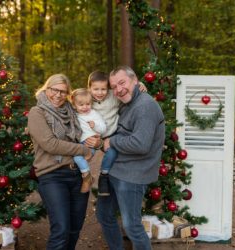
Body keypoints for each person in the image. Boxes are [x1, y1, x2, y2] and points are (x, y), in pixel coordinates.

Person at [96, 66, 165, 250]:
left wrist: (113, 141)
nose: (118, 89)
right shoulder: (126, 103)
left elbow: (141, 145)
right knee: (104, 215)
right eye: (114, 86)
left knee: (132, 226)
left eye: (122, 82)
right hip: (116, 170)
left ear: (135, 81)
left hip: (133, 175)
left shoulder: (145, 106)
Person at [27, 74, 94, 250]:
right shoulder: (37, 113)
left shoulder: (73, 111)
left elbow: (98, 102)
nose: (58, 95)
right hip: (52, 176)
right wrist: (82, 150)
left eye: (63, 92)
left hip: (78, 175)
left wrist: (137, 86)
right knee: (61, 229)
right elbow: (50, 144)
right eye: (54, 90)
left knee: (75, 228)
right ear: (46, 89)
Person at [87, 70, 147, 196]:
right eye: (96, 89)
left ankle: (104, 175)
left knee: (112, 152)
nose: (99, 93)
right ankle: (83, 175)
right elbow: (74, 99)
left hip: (111, 133)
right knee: (85, 153)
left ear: (108, 89)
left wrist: (138, 84)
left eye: (103, 89)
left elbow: (126, 92)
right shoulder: (87, 98)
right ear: (89, 88)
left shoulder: (112, 97)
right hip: (93, 133)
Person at [71, 88, 107, 193]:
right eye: (81, 105)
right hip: (80, 143)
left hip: (90, 143)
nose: (85, 107)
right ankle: (87, 176)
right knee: (77, 158)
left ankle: (86, 178)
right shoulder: (75, 115)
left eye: (88, 104)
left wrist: (95, 126)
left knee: (78, 158)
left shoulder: (94, 114)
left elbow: (103, 128)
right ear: (75, 105)